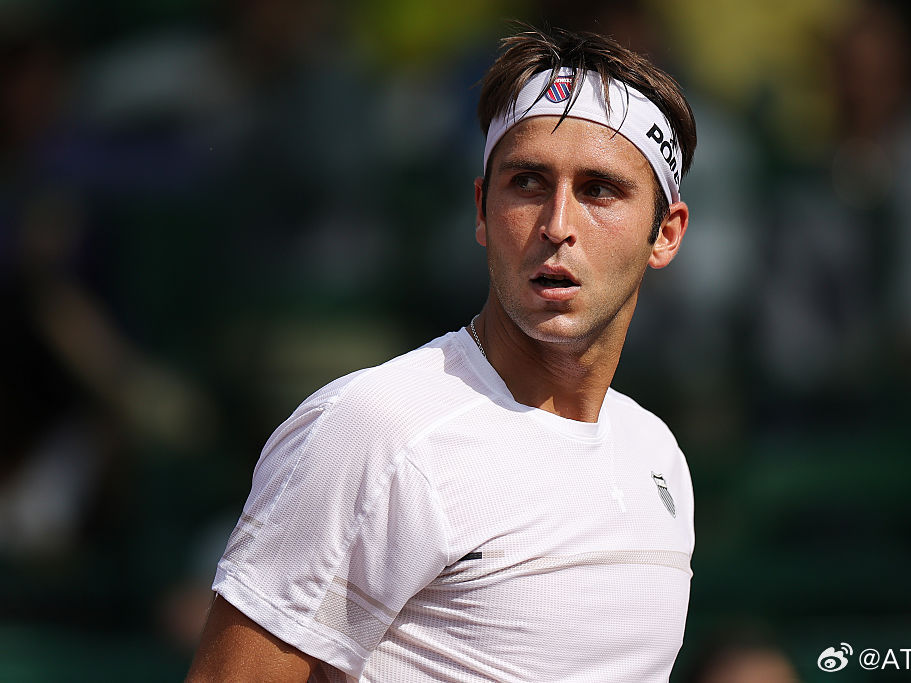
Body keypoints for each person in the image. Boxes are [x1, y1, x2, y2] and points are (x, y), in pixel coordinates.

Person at [187, 25, 697, 682]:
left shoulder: (658, 455)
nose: (557, 225)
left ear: (666, 233)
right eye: (527, 182)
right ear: (482, 210)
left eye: (599, 189)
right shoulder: (373, 427)